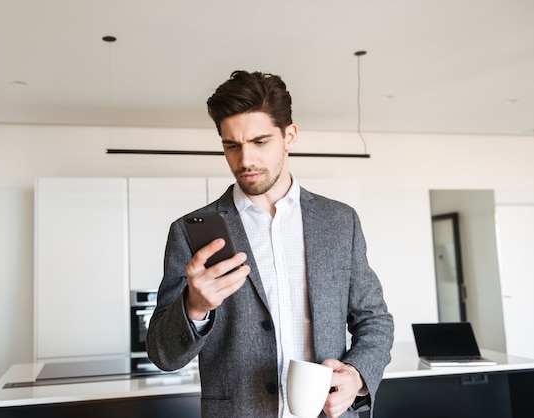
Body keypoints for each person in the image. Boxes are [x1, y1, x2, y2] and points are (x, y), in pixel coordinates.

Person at [146, 70, 394, 418]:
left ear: (289, 136)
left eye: (260, 142)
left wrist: (355, 376)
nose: (244, 160)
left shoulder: (340, 222)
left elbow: (375, 320)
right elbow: (162, 353)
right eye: (232, 145)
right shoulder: (187, 232)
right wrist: (195, 307)